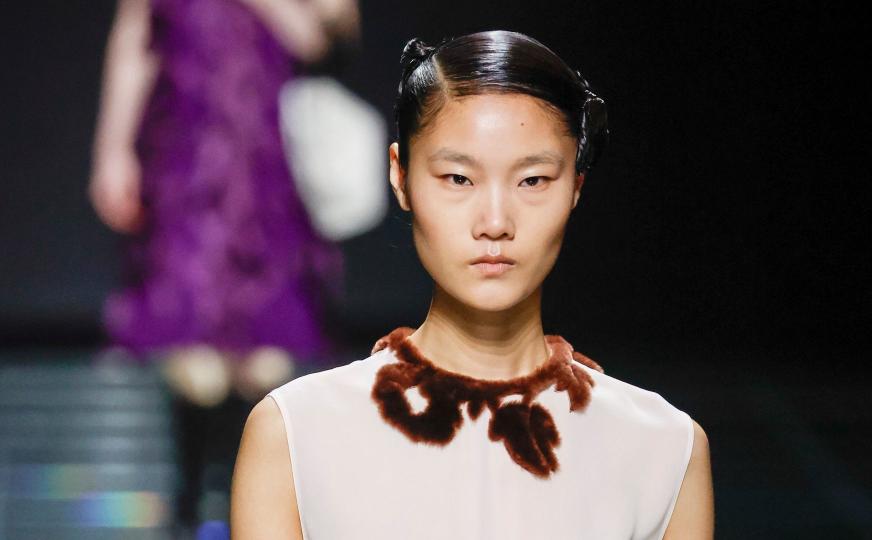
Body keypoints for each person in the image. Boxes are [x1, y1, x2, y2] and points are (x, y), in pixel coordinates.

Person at [231, 30, 714, 539]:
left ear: (575, 186)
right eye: (458, 179)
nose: (495, 221)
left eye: (533, 180)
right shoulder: (296, 434)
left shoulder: (665, 450)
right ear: (401, 176)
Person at [89, 0, 359, 408]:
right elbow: (136, 41)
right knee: (191, 361)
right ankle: (201, 459)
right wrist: (112, 149)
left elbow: (320, 39)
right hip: (182, 162)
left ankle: (251, 460)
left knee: (267, 365)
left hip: (266, 169)